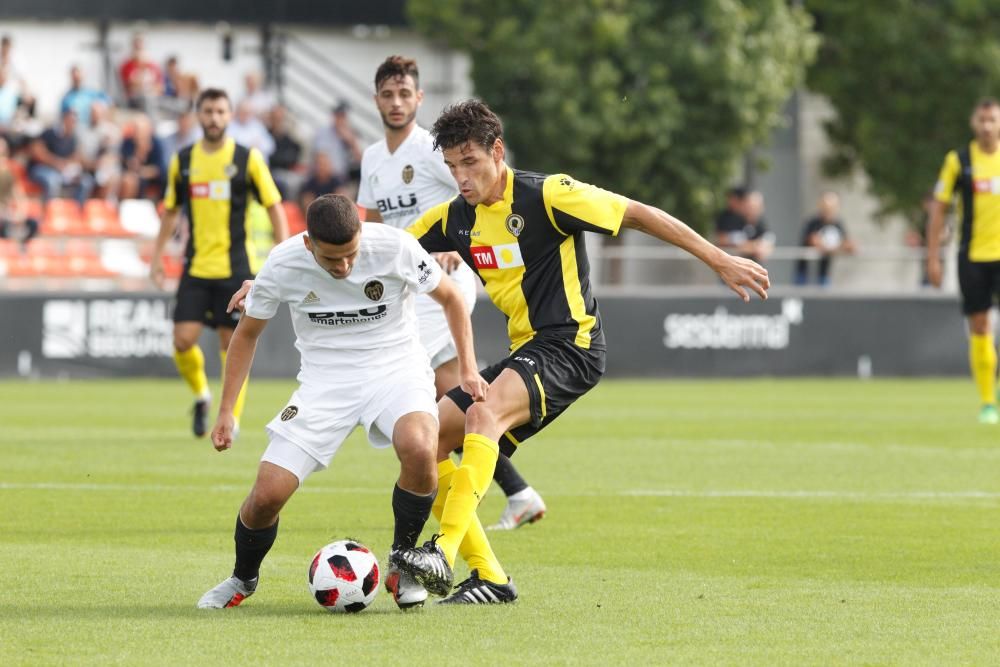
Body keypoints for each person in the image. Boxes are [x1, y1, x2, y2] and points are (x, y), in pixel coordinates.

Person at [390, 100, 769, 604]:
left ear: (496, 152)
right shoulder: (454, 219)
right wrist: (277, 275)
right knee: (429, 440)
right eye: (453, 166)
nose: (461, 177)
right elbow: (377, 247)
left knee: (483, 413)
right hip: (526, 350)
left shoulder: (549, 194)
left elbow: (640, 214)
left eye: (470, 162)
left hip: (572, 345)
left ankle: (443, 550)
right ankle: (490, 577)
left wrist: (719, 259)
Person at [196, 194, 488, 611]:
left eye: (350, 256)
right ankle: (242, 577)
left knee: (421, 445)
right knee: (266, 496)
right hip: (324, 382)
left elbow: (453, 299)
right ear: (307, 244)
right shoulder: (283, 263)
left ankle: (403, 562)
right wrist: (226, 410)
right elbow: (246, 335)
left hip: (396, 367)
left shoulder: (393, 246)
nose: (344, 267)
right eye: (332, 260)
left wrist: (469, 370)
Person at [357, 55, 548, 531]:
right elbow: (372, 226)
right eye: (388, 94)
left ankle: (438, 503)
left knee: (406, 390)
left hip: (442, 285)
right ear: (377, 99)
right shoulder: (373, 159)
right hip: (404, 286)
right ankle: (517, 492)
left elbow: (489, 187)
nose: (397, 102)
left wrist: (461, 248)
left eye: (405, 94)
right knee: (452, 395)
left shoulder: (433, 149)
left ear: (419, 98)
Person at [150, 88, 288, 440]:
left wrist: (281, 250)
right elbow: (170, 211)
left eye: (220, 111)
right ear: (198, 115)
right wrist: (156, 256)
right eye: (208, 111)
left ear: (229, 116)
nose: (214, 118)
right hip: (195, 269)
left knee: (233, 348)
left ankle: (231, 421)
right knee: (182, 341)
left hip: (235, 271)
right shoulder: (183, 161)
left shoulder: (247, 159)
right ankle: (201, 395)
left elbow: (274, 205)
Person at [927, 97, 1000, 424]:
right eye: (982, 120)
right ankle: (987, 402)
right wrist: (933, 258)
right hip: (972, 257)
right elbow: (938, 209)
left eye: (993, 120)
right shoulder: (958, 161)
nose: (987, 126)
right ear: (974, 123)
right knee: (980, 327)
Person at [27, 109, 95, 205]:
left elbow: (75, 157)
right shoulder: (50, 133)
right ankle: (50, 212)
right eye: (71, 120)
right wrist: (56, 163)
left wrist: (71, 167)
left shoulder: (72, 139)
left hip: (62, 172)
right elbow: (36, 151)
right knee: (53, 180)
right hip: (40, 169)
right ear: (64, 119)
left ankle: (74, 212)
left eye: (74, 121)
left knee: (86, 181)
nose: (72, 124)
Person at [793, 191, 856, 286]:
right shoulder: (813, 222)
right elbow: (813, 241)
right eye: (826, 207)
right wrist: (834, 247)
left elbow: (848, 244)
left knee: (823, 292)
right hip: (804, 272)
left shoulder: (837, 224)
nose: (829, 210)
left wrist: (834, 247)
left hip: (823, 273)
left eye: (832, 207)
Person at [714, 187, 773, 264]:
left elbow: (767, 242)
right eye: (750, 206)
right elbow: (721, 240)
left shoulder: (761, 223)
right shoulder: (731, 219)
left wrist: (759, 247)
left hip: (753, 266)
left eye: (756, 207)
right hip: (732, 265)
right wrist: (751, 246)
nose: (752, 209)